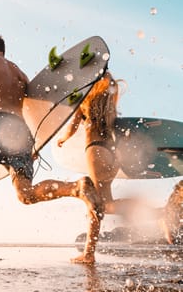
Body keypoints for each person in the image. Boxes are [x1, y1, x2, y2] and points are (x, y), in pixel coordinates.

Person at [0, 31, 103, 268]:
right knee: (26, 193)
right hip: (21, 130)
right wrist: (35, 143)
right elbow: (36, 109)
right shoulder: (19, 73)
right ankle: (76, 188)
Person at [57, 71, 173, 250]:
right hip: (112, 155)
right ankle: (89, 252)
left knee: (99, 205)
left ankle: (160, 213)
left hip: (96, 151)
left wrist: (63, 139)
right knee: (99, 204)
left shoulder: (86, 102)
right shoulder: (110, 102)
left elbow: (72, 126)